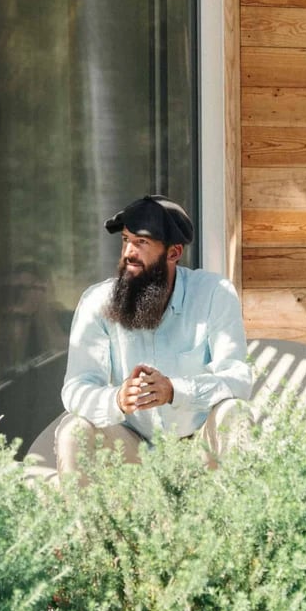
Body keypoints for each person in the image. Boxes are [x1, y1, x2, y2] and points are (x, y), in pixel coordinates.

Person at [56, 194, 253, 482]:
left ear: (173, 253)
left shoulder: (214, 294)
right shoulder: (97, 301)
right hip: (131, 448)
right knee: (74, 429)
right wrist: (117, 399)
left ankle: (245, 526)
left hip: (198, 444)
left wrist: (174, 390)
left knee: (234, 413)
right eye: (126, 240)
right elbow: (76, 388)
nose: (128, 253)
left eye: (142, 243)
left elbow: (238, 378)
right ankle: (84, 529)